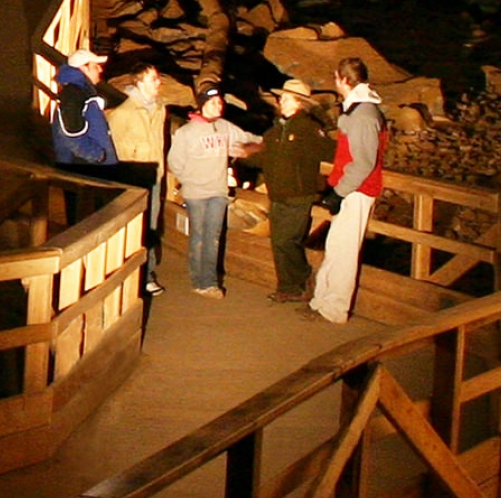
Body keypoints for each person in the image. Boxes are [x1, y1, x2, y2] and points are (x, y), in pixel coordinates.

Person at [308, 58, 387, 323]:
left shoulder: (363, 114)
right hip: (351, 187)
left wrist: (338, 192)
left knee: (345, 251)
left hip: (357, 190)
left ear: (341, 79)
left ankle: (335, 309)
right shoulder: (357, 110)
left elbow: (363, 162)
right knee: (336, 246)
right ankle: (322, 300)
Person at [165, 95, 261, 295]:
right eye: (213, 103)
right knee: (199, 236)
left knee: (213, 236)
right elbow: (175, 161)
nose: (218, 106)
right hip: (195, 192)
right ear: (202, 106)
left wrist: (265, 142)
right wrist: (190, 180)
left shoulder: (224, 127)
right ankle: (198, 279)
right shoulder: (187, 132)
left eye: (220, 102)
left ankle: (209, 282)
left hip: (218, 191)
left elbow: (246, 138)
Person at [258, 79, 329, 303]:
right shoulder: (278, 129)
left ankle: (301, 278)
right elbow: (262, 154)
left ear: (298, 103)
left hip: (298, 195)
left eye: (285, 98)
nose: (280, 101)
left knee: (286, 241)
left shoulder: (308, 128)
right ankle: (288, 287)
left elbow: (330, 152)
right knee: (279, 240)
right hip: (279, 194)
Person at [49, 46, 118, 168]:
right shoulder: (73, 94)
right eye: (95, 66)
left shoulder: (80, 92)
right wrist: (98, 155)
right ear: (83, 68)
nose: (100, 70)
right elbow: (71, 133)